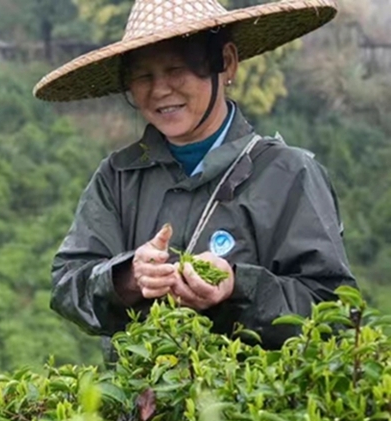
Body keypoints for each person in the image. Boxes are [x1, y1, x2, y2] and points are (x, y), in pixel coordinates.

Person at [36, 0, 357, 354]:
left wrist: (235, 287)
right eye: (143, 76)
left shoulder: (288, 174)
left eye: (177, 69)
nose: (160, 90)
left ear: (227, 62)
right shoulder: (119, 176)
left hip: (252, 406)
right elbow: (67, 285)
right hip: (138, 405)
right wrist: (128, 277)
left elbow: (334, 312)